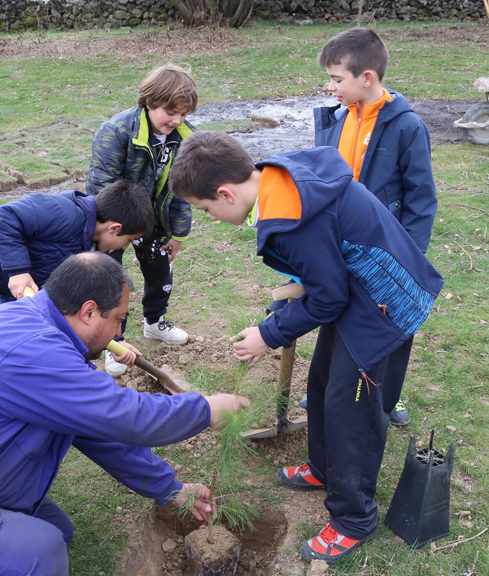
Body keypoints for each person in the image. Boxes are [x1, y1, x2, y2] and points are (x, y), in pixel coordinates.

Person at [0, 253, 251, 576]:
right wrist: (204, 409)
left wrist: (169, 489)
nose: (118, 334)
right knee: (39, 554)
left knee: (56, 531)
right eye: (118, 319)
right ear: (89, 311)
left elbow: (99, 430)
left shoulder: (46, 336)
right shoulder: (30, 351)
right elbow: (124, 415)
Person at [168, 132, 443, 564]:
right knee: (322, 384)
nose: (210, 218)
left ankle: (354, 519)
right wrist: (283, 309)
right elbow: (322, 268)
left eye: (205, 210)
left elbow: (329, 297)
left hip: (384, 304)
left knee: (350, 412)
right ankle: (323, 469)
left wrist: (269, 334)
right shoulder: (276, 179)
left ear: (225, 193)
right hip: (358, 294)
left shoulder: (293, 217)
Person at [311, 27, 438, 427]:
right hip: (340, 244)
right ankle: (329, 387)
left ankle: (386, 397)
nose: (330, 87)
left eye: (337, 79)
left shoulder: (406, 127)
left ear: (366, 77)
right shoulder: (336, 119)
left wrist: (407, 258)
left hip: (386, 251)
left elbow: (421, 199)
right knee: (338, 316)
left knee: (388, 322)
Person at [86, 64, 197, 375]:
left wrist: (178, 233)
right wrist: (115, 230)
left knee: (161, 270)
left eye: (184, 114)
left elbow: (182, 190)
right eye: (170, 112)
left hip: (154, 220)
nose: (177, 121)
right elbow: (102, 187)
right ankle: (113, 341)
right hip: (115, 221)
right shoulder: (116, 131)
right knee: (109, 279)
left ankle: (155, 322)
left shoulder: (185, 138)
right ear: (149, 101)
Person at [0, 180, 153, 325]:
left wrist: (115, 338)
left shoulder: (90, 244)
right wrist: (18, 271)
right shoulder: (66, 214)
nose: (124, 247)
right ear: (114, 228)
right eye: (128, 241)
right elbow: (6, 215)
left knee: (22, 337)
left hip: (19, 285)